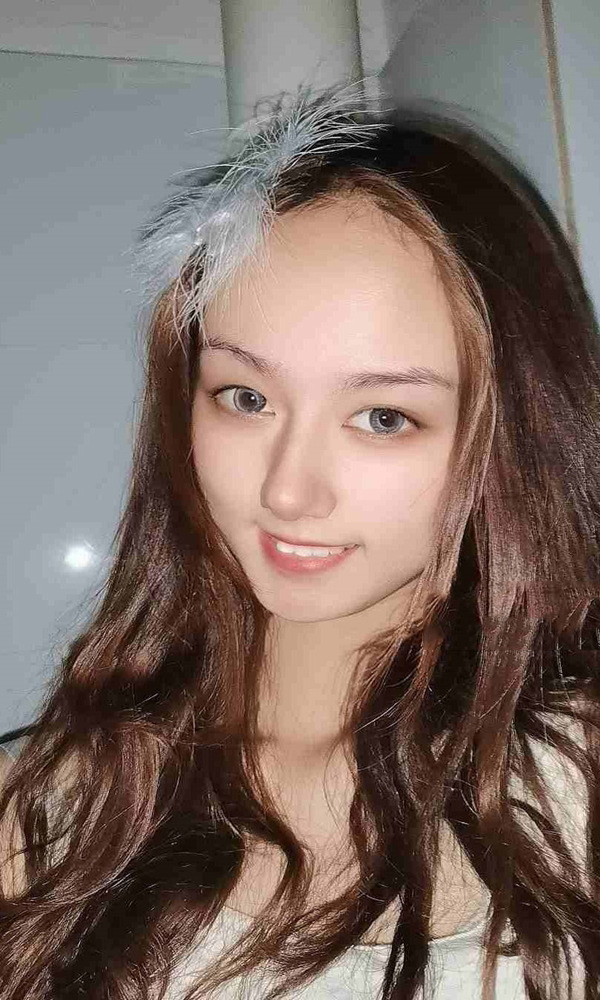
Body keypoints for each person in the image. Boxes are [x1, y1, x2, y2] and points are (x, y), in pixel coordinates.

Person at [1, 81, 599, 1000]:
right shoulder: (45, 812)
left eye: (384, 417)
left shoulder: (572, 786)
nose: (288, 489)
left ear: (512, 430)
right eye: (246, 398)